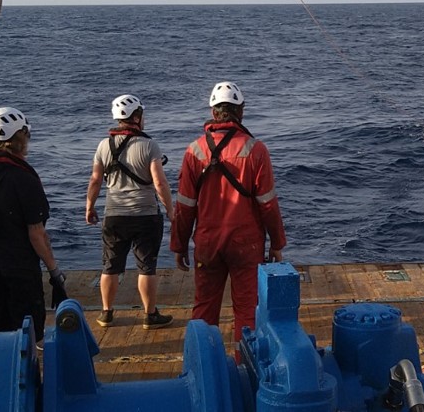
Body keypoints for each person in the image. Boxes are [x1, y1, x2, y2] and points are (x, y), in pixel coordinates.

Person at [170, 81, 286, 337]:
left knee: (204, 308)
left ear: (213, 113)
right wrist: (277, 243)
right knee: (247, 309)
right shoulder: (256, 150)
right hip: (246, 243)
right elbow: (268, 205)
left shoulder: (193, 150)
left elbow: (185, 206)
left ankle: (203, 365)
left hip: (208, 242)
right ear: (241, 111)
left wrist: (178, 245)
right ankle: (245, 367)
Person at [0, 107, 65, 343]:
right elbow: (36, 233)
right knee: (26, 333)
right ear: (20, 138)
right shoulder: (25, 179)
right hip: (21, 269)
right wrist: (54, 271)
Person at [84, 94, 174, 329]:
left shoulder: (104, 145)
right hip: (146, 215)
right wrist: (171, 210)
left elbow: (95, 180)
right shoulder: (149, 145)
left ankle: (106, 313)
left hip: (114, 215)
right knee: (146, 267)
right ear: (136, 117)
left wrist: (90, 207)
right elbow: (160, 183)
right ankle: (150, 314)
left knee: (110, 266)